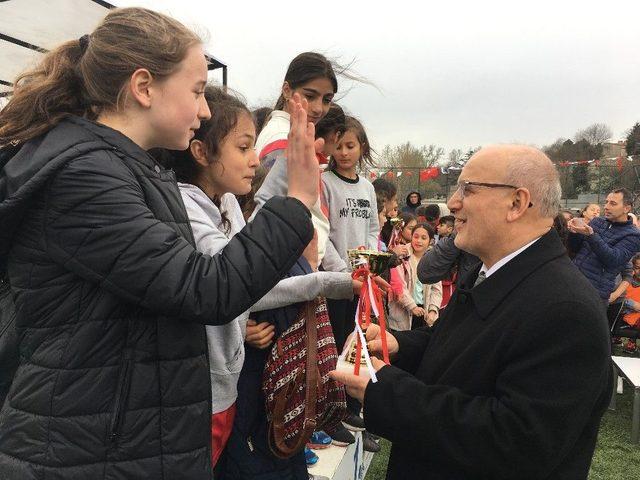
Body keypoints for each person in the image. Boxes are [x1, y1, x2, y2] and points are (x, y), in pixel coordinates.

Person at [0, 8, 319, 479]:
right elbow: (205, 289)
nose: (205, 109)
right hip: (82, 451)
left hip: (114, 438)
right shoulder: (85, 178)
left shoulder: (128, 172)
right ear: (144, 87)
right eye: (195, 91)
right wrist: (298, 202)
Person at [331, 145, 612, 479]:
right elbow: (458, 347)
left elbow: (514, 442)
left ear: (517, 203)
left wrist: (385, 390)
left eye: (468, 189)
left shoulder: (566, 311)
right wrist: (399, 346)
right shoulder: (495, 272)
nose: (452, 202)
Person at [156, 86, 359, 470]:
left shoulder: (227, 202)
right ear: (201, 153)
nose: (254, 161)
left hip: (228, 383)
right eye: (244, 148)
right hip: (205, 391)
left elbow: (247, 283)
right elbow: (233, 285)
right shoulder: (187, 212)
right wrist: (298, 195)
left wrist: (340, 283)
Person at [251, 51, 342, 269]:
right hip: (290, 265)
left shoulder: (294, 135)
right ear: (287, 90)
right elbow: (272, 211)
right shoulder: (282, 139)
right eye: (310, 96)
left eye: (326, 99)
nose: (319, 108)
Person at [568, 188, 640, 309]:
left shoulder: (633, 235)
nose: (606, 206)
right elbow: (576, 249)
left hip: (594, 293)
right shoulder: (597, 222)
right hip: (572, 282)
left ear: (626, 208)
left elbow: (613, 260)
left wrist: (591, 236)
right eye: (606, 202)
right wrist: (574, 232)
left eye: (613, 203)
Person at [388, 223, 442, 331]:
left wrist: (433, 310)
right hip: (402, 313)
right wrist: (412, 306)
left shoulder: (434, 259)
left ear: (431, 241)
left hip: (424, 312)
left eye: (423, 238)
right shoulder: (402, 255)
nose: (418, 241)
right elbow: (398, 285)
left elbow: (437, 289)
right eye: (416, 237)